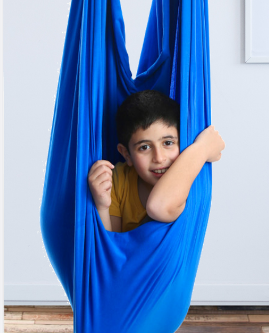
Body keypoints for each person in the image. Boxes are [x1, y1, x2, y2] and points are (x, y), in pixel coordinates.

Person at [87, 89, 225, 233]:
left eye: (168, 143)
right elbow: (110, 245)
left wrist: (200, 149)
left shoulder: (189, 176)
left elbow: (159, 206)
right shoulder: (117, 179)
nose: (159, 158)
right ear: (126, 154)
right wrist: (102, 206)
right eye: (144, 147)